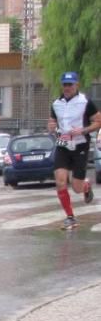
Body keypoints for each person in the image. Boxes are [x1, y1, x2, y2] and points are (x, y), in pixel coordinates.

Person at [48, 71, 101, 230]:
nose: (67, 87)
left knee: (76, 188)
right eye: (65, 84)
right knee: (60, 181)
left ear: (76, 84)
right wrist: (51, 127)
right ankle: (70, 217)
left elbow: (98, 121)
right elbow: (52, 124)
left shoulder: (85, 102)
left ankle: (85, 186)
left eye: (70, 84)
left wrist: (84, 130)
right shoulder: (56, 103)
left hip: (80, 145)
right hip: (63, 144)